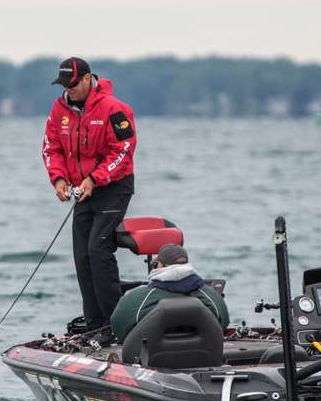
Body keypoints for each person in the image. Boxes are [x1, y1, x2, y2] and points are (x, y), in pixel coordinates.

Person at [42, 56, 137, 333]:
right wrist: (58, 179)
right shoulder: (59, 109)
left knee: (98, 250)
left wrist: (95, 179)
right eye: (63, 85)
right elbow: (51, 148)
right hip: (82, 191)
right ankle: (95, 326)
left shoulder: (114, 109)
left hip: (114, 188)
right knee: (82, 256)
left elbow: (123, 150)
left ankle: (116, 325)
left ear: (87, 79)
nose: (68, 90)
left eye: (72, 84)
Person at [110, 243, 229, 344]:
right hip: (204, 357)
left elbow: (119, 330)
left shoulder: (136, 299)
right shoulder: (212, 296)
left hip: (151, 360)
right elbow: (223, 324)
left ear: (158, 265)